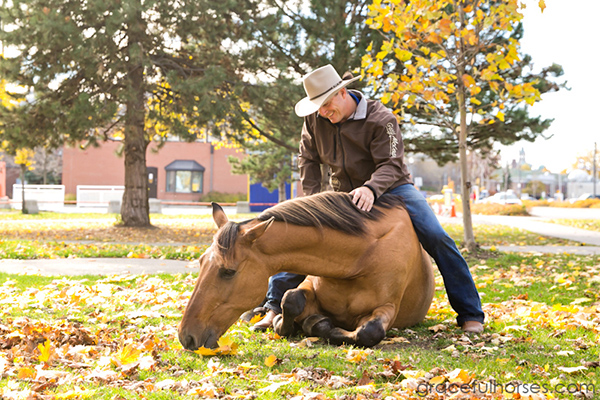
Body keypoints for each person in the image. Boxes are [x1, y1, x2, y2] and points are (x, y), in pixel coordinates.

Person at [252, 64, 485, 334]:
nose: (324, 113)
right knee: (301, 235)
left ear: (342, 92)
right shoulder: (316, 119)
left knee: (436, 236)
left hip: (392, 188)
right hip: (341, 192)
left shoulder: (381, 119)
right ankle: (272, 307)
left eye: (327, 105)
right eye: (318, 108)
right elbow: (308, 159)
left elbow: (391, 163)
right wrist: (311, 200)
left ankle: (470, 313)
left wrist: (371, 188)